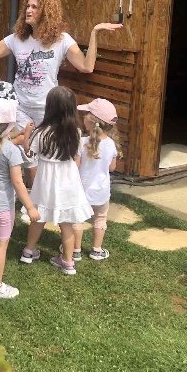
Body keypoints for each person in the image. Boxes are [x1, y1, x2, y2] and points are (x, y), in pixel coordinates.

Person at [0, 0, 122, 180]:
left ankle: (41, 193)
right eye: (28, 6)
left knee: (48, 157)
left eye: (35, 7)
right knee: (30, 158)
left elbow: (86, 67)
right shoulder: (17, 39)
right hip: (21, 108)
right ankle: (31, 195)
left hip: (48, 111)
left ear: (46, 12)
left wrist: (94, 33)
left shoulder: (61, 40)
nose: (28, 10)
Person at [19, 86, 92, 275]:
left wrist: (26, 135)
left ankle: (28, 251)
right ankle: (67, 262)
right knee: (67, 223)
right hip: (68, 180)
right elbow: (76, 156)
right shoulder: (76, 133)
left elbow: (29, 153)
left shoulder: (41, 132)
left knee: (38, 217)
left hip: (45, 180)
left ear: (49, 107)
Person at [0, 98, 40, 300]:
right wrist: (30, 207)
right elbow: (18, 183)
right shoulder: (12, 151)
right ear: (10, 124)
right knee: (0, 245)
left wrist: (19, 134)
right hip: (3, 206)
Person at [73, 98, 120, 261]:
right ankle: (96, 250)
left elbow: (76, 166)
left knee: (77, 219)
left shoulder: (82, 142)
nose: (83, 117)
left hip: (81, 190)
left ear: (92, 121)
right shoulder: (111, 144)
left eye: (86, 114)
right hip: (102, 192)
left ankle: (75, 250)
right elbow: (112, 168)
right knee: (100, 218)